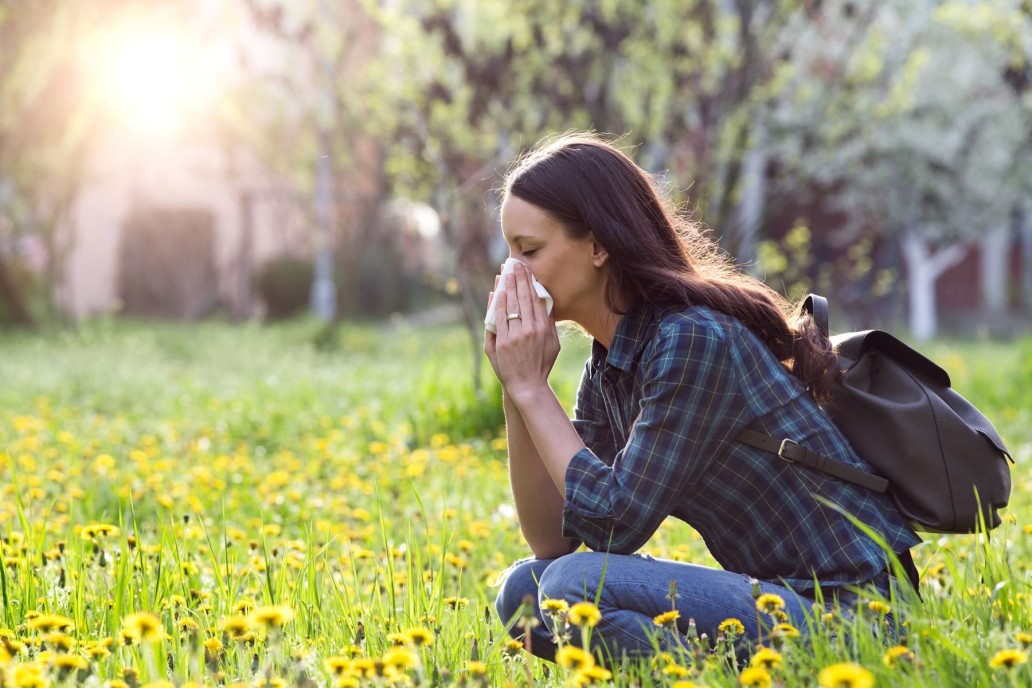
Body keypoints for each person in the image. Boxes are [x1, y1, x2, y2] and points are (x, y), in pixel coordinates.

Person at [484, 132, 921, 663]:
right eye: (509, 252)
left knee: (574, 588)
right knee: (524, 592)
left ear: (598, 246)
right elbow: (553, 541)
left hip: (858, 616)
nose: (512, 273)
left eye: (529, 250)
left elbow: (615, 525)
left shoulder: (690, 339)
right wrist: (516, 387)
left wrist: (533, 389)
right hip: (783, 602)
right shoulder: (610, 365)